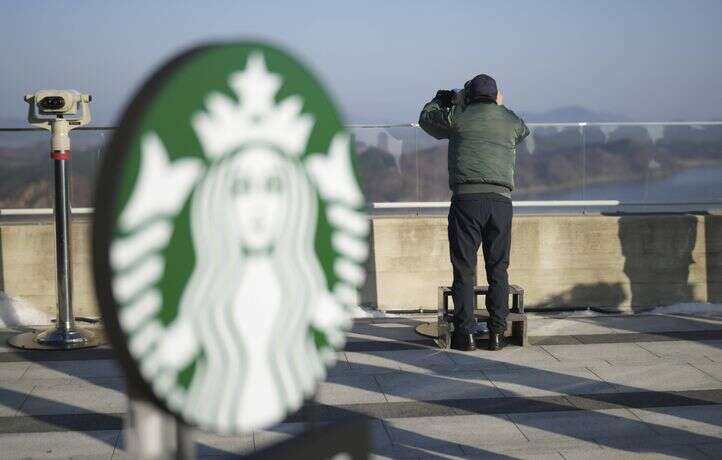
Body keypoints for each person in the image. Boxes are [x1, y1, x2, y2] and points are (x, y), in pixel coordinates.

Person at [419, 74, 529, 351]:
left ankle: (465, 335)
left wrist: (442, 99)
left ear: (469, 95)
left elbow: (427, 119)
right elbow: (522, 131)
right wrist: (500, 107)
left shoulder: (458, 116)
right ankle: (496, 335)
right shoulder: (508, 119)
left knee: (465, 270)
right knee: (498, 269)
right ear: (495, 95)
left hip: (466, 201)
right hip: (501, 202)